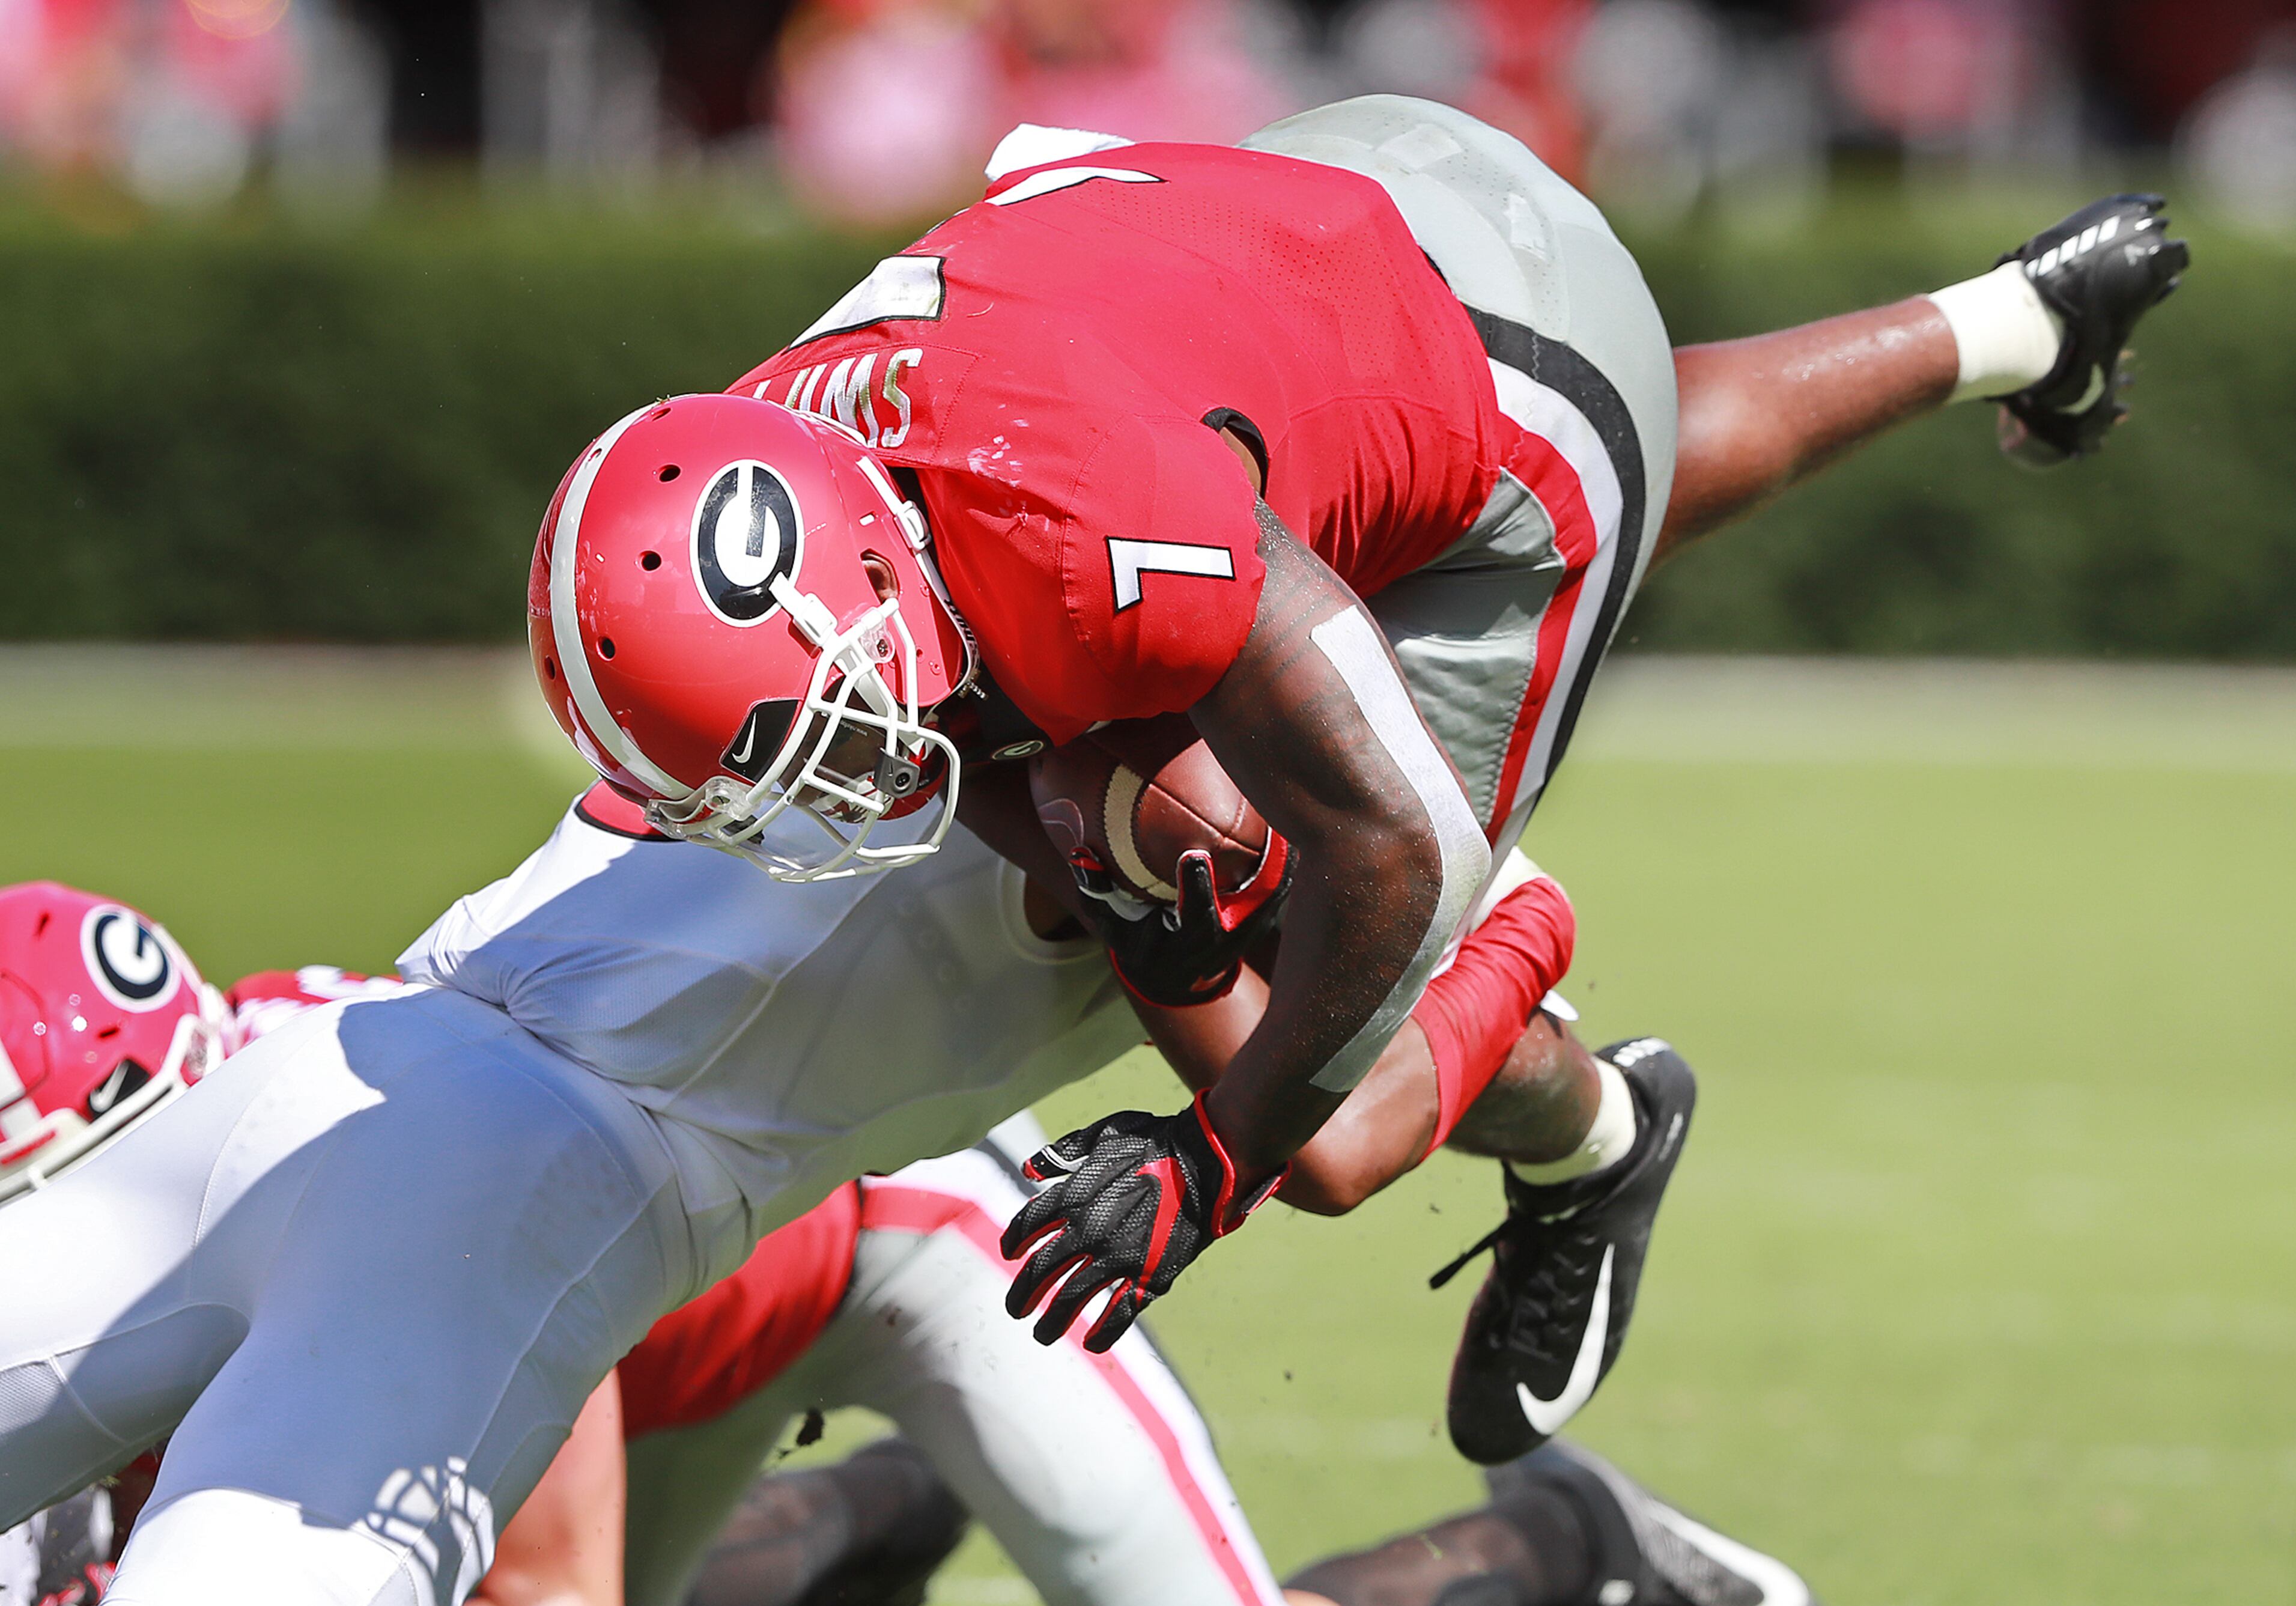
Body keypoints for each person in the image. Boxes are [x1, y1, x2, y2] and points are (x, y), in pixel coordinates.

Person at [529, 96, 2188, 1455]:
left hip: (1493, 346)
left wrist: (1209, 1161)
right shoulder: (791, 433)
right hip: (1329, 185)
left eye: (805, 736)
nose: (814, 786)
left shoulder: (1084, 531)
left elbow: (1385, 851)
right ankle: (2024, 317)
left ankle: (1597, 1120)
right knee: (1139, 771)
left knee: (1313, 1097)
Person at [0, 886, 1854, 1606]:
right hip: (674, 1303)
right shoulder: (236, 1101)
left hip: (917, 1237)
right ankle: (881, 1508)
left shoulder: (388, 1177)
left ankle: (1560, 1534)